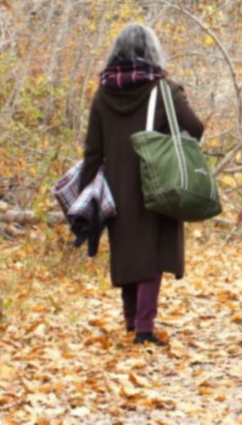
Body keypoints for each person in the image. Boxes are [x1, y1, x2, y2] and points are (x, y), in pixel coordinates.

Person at [80, 23, 204, 347]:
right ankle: (144, 328)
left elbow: (93, 149)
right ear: (153, 52)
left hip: (116, 183)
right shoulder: (165, 90)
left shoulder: (103, 93)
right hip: (156, 181)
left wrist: (85, 192)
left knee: (127, 251)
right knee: (152, 252)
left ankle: (131, 321)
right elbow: (195, 127)